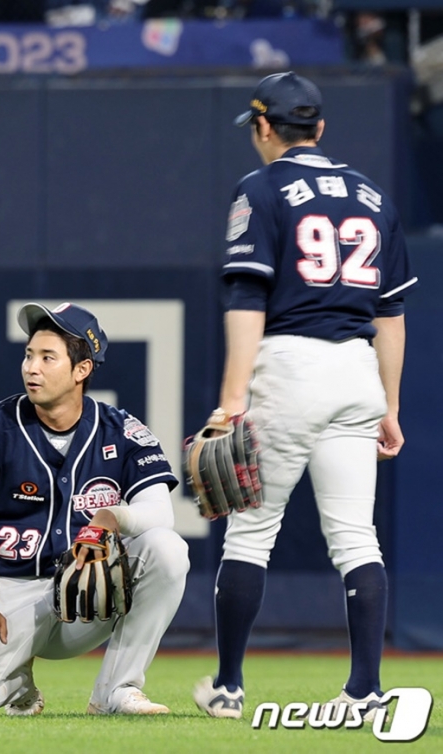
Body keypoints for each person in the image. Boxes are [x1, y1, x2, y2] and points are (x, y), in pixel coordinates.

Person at [193, 71, 418, 720]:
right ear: (319, 128)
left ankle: (229, 687)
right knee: (356, 538)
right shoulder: (374, 196)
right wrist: (391, 404)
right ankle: (366, 691)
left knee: (251, 532)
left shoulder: (260, 188)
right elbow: (391, 314)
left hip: (291, 365)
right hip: (358, 371)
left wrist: (232, 399)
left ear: (265, 127)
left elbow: (246, 297)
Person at [0, 301, 189, 717]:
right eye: (29, 354)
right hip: (6, 594)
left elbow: (161, 512)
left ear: (81, 370)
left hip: (86, 597)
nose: (32, 367)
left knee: (167, 549)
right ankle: (16, 683)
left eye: (48, 358)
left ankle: (116, 691)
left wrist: (112, 517)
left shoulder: (120, 429)